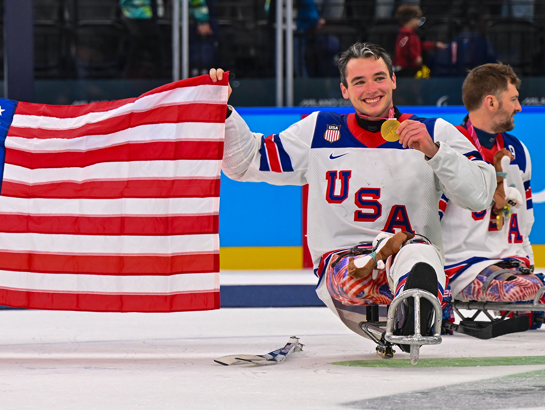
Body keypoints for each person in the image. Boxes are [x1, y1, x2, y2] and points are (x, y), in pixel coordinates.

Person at [210, 42, 495, 350]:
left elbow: (480, 196)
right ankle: (414, 306)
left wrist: (435, 152)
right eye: (359, 82)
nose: (371, 89)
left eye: (379, 78)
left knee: (418, 254)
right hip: (345, 266)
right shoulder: (319, 130)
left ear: (393, 80)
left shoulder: (434, 131)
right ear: (344, 90)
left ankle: (415, 309)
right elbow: (246, 162)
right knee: (364, 270)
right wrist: (223, 111)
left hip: (408, 258)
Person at [441, 63, 541, 320]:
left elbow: (524, 222)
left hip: (509, 265)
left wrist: (528, 263)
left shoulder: (518, 150)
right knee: (521, 290)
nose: (519, 107)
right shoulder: (448, 149)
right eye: (514, 99)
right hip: (462, 268)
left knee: (528, 288)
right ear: (491, 102)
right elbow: (427, 221)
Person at [393, 5, 445, 78]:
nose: (418, 22)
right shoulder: (405, 33)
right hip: (404, 68)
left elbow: (418, 44)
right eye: (417, 19)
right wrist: (415, 57)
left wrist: (435, 44)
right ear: (410, 19)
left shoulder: (412, 34)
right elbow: (404, 48)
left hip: (411, 67)